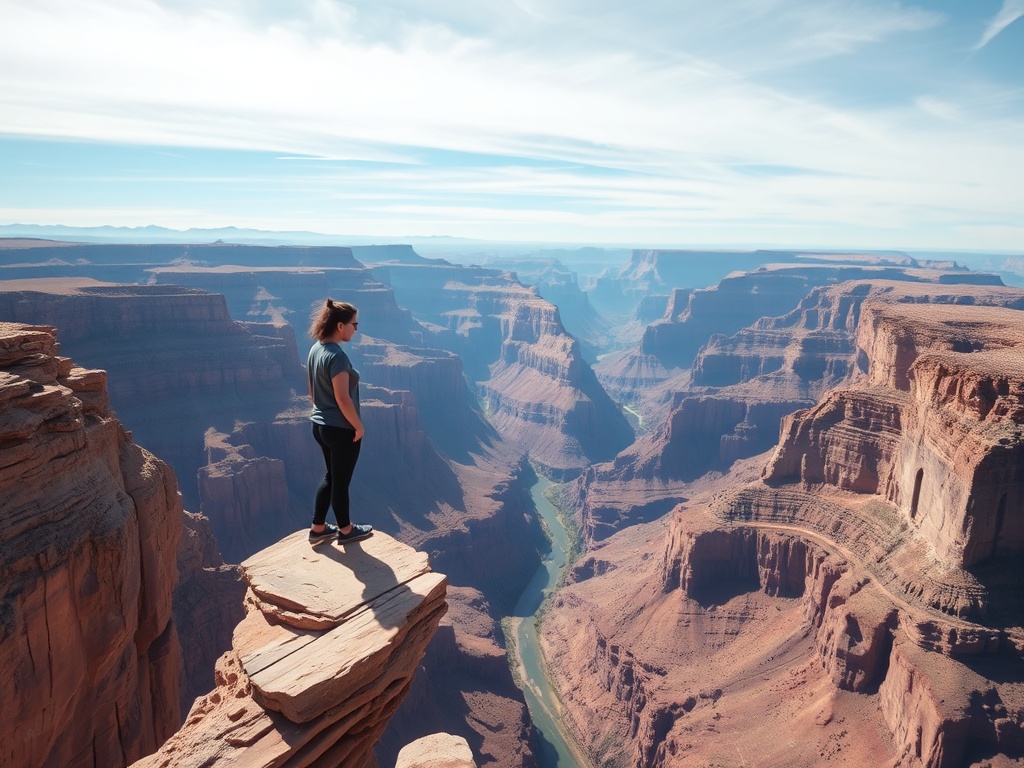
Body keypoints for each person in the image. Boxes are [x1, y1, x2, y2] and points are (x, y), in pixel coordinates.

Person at [306, 299, 373, 545]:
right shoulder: (337, 357)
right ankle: (346, 530)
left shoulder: (316, 349)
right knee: (341, 482)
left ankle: (318, 527)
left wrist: (323, 413)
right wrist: (358, 426)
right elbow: (343, 399)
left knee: (331, 476)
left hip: (320, 425)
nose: (357, 328)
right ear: (341, 325)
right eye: (355, 324)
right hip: (340, 429)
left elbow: (312, 393)